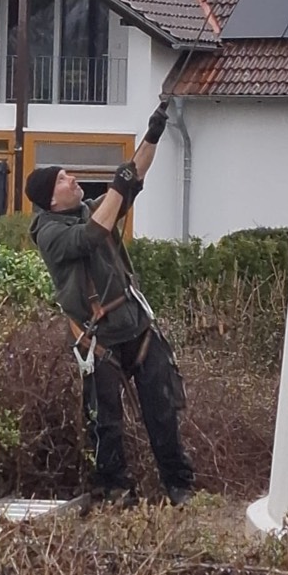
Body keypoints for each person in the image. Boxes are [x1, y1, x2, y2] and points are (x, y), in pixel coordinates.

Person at [25, 102, 195, 507]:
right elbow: (94, 234)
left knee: (162, 411)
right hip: (96, 339)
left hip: (136, 327)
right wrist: (119, 186)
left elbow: (133, 176)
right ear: (51, 199)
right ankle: (115, 490)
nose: (74, 178)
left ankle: (179, 485)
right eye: (65, 178)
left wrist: (152, 135)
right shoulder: (48, 232)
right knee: (106, 423)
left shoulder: (88, 207)